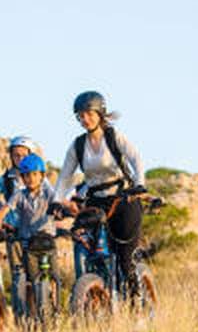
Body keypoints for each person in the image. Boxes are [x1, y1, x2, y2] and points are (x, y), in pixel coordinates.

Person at [54, 91, 147, 293]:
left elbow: (136, 159)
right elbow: (64, 176)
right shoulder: (78, 145)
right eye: (80, 115)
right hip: (96, 201)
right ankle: (96, 290)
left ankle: (137, 303)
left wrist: (139, 184)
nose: (84, 119)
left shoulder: (114, 137)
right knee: (88, 247)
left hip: (123, 198)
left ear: (100, 113)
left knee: (125, 258)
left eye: (89, 113)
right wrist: (56, 201)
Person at [0, 153, 63, 321]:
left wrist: (59, 211)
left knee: (55, 277)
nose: (30, 179)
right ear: (22, 178)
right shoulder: (19, 195)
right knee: (34, 279)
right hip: (29, 244)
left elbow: (58, 204)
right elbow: (2, 212)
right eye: (26, 175)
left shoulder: (48, 192)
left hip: (47, 241)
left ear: (42, 176)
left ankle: (57, 307)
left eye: (34, 174)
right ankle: (36, 315)